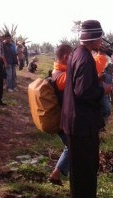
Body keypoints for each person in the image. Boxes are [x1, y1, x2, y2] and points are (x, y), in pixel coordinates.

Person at [60, 20, 112, 198]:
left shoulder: (76, 54)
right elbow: (84, 91)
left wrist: (94, 83)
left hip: (75, 120)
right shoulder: (85, 59)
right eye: (100, 37)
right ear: (96, 38)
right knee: (88, 164)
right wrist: (103, 89)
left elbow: (79, 85)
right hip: (82, 122)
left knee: (79, 164)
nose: (101, 41)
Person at [48, 44, 73, 186]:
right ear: (66, 57)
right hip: (64, 120)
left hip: (62, 118)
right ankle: (59, 174)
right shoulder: (62, 76)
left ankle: (57, 174)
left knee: (70, 147)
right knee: (73, 147)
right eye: (73, 56)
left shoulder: (57, 71)